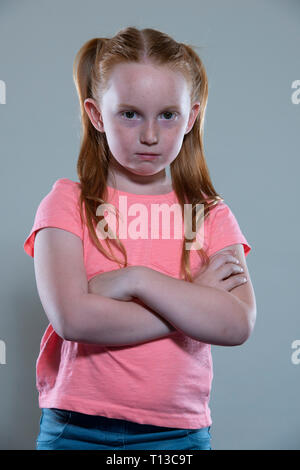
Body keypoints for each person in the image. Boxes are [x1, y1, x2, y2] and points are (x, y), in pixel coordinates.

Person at [23, 26, 256, 451]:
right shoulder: (66, 202)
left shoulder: (209, 214)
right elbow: (73, 320)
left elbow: (236, 324)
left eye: (168, 115)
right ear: (96, 115)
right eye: (129, 114)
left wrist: (138, 279)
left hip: (179, 436)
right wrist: (190, 302)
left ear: (192, 117)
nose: (150, 135)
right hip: (76, 429)